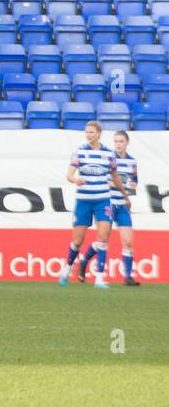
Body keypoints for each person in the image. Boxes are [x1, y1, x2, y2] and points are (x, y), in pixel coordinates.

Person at [59, 121, 128, 290]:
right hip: (83, 201)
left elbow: (115, 176)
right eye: (86, 132)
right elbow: (68, 175)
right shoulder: (79, 152)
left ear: (98, 133)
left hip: (102, 200)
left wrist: (125, 195)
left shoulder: (108, 154)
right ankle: (68, 268)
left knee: (103, 237)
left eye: (91, 132)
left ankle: (99, 278)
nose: (88, 134)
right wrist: (76, 180)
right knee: (77, 240)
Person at [80, 129, 139, 286]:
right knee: (102, 240)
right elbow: (103, 179)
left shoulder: (132, 162)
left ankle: (128, 277)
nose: (118, 144)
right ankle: (85, 261)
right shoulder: (108, 158)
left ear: (127, 143)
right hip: (107, 203)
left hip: (122, 206)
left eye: (121, 141)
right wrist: (120, 184)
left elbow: (134, 183)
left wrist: (132, 187)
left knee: (127, 242)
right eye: (116, 141)